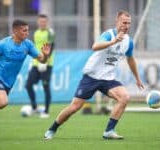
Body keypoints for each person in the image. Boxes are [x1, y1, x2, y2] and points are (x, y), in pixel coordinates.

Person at [44, 10, 144, 140]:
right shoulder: (108, 35)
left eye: (129, 23)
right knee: (75, 107)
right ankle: (53, 128)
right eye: (124, 22)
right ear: (117, 21)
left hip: (108, 79)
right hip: (91, 77)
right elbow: (95, 46)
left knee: (124, 97)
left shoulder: (129, 42)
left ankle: (109, 131)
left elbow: (130, 59)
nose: (127, 26)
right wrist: (113, 42)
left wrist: (137, 78)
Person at [0, 19, 51, 133]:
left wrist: (45, 55)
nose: (27, 33)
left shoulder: (28, 45)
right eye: (24, 30)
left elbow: (42, 60)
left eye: (28, 30)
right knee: (3, 102)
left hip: (8, 84)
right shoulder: (3, 44)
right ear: (15, 31)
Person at [25, 14, 55, 118]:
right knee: (28, 85)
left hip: (47, 64)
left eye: (44, 21)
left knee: (46, 86)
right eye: (41, 21)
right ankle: (34, 107)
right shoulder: (36, 33)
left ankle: (46, 111)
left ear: (47, 22)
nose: (42, 23)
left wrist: (45, 61)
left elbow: (52, 46)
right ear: (38, 22)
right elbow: (35, 48)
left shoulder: (50, 32)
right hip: (36, 63)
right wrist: (32, 61)